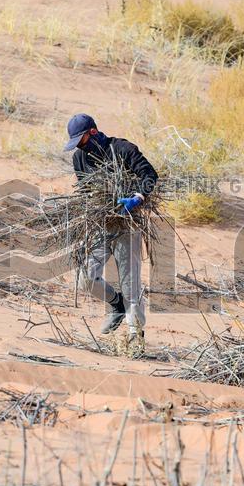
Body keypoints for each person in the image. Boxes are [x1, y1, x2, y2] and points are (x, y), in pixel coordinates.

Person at [64, 113, 158, 349]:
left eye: (81, 140)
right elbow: (86, 193)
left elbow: (150, 175)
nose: (80, 147)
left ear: (93, 133)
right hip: (101, 225)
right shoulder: (79, 158)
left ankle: (136, 337)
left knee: (131, 284)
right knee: (86, 277)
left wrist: (137, 198)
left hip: (128, 224)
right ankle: (116, 305)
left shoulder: (122, 149)